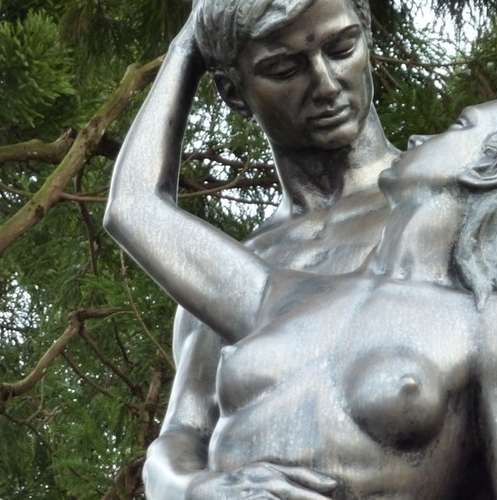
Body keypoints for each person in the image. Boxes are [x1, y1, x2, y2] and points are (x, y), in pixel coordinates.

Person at [105, 0, 400, 497]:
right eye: (284, 69)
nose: (327, 84)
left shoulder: (447, 198)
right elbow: (183, 434)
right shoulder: (233, 268)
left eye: (342, 48)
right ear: (232, 92)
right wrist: (195, 488)